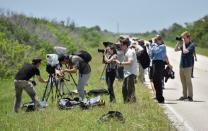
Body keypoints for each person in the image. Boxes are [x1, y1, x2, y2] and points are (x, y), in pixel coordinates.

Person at [150, 35, 172, 103]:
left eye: (158, 39)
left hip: (160, 63)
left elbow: (156, 51)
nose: (157, 40)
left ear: (161, 40)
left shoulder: (162, 46)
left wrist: (153, 45)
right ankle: (157, 96)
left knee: (158, 80)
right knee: (154, 80)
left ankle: (160, 98)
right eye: (156, 39)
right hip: (154, 62)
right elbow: (151, 55)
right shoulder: (154, 46)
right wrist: (153, 46)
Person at [114, 38, 138, 103]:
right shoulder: (126, 51)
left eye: (121, 45)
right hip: (127, 73)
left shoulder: (130, 52)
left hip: (131, 73)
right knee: (124, 89)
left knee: (130, 89)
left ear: (125, 45)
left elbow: (130, 62)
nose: (120, 46)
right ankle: (127, 102)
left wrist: (120, 63)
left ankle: (131, 103)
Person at [175, 31, 195, 101]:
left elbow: (185, 51)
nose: (183, 39)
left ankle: (190, 97)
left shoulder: (191, 45)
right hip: (182, 65)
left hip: (188, 66)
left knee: (188, 82)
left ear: (188, 37)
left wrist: (183, 43)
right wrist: (178, 42)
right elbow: (175, 49)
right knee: (183, 82)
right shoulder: (183, 44)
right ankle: (184, 96)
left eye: (184, 37)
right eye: (182, 38)